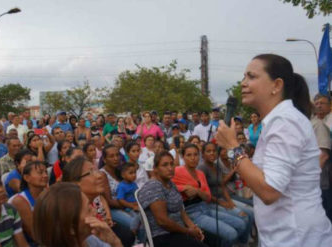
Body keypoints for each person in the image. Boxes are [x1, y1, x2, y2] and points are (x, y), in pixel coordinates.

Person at [216, 54, 332, 247]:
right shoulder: (276, 122)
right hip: (283, 235)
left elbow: (269, 191)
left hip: (297, 238)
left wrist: (232, 147)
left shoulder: (285, 122)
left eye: (252, 77)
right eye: (244, 77)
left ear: (276, 85)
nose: (243, 83)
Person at [172, 144, 248, 247]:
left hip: (205, 207)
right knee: (231, 233)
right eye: (189, 155)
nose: (193, 158)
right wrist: (184, 188)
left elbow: (207, 197)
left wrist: (197, 191)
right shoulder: (177, 171)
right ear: (183, 157)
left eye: (195, 155)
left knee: (241, 224)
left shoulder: (200, 173)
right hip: (192, 212)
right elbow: (167, 187)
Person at [138, 151, 207, 247]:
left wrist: (193, 227)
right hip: (163, 236)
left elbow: (181, 211)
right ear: (155, 169)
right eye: (165, 165)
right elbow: (163, 221)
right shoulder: (153, 186)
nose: (170, 168)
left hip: (179, 231)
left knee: (210, 237)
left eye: (172, 164)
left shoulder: (170, 184)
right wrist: (188, 231)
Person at [62, 157, 135, 247]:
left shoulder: (95, 200)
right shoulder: (81, 227)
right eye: (91, 172)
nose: (100, 175)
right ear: (75, 183)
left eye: (96, 170)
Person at [33, 182, 123, 247]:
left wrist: (114, 241)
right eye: (89, 209)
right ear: (71, 228)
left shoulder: (89, 239)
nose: (95, 211)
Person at [10, 161, 49, 246]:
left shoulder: (49, 194)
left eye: (46, 172)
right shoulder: (20, 201)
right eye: (40, 173)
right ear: (27, 178)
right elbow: (35, 235)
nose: (45, 175)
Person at [116, 163, 141, 236]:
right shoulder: (122, 186)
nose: (134, 175)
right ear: (123, 175)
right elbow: (120, 199)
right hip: (129, 208)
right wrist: (132, 206)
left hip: (136, 205)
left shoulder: (134, 184)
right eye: (131, 173)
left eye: (135, 172)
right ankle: (133, 230)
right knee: (139, 216)